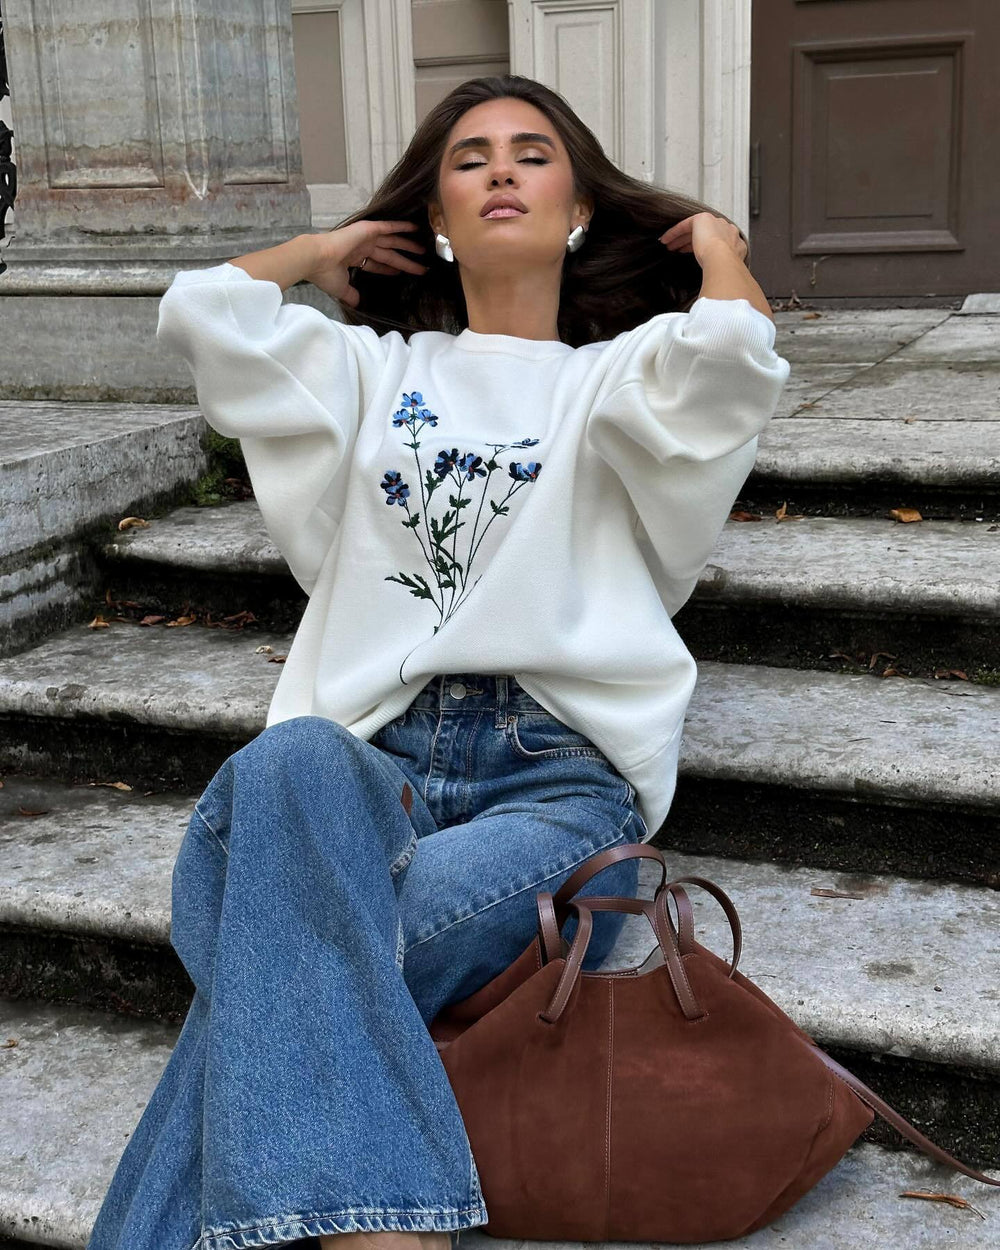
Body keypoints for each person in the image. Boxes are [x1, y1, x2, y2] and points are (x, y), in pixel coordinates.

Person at [86, 74, 789, 1250]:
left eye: (533, 153)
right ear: (439, 219)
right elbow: (202, 308)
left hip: (554, 779)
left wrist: (717, 244)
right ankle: (385, 1225)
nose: (502, 170)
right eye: (470, 159)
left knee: (282, 960)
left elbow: (731, 357)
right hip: (376, 765)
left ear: (576, 211)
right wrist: (317, 249)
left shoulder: (616, 379)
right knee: (284, 764)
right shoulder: (370, 371)